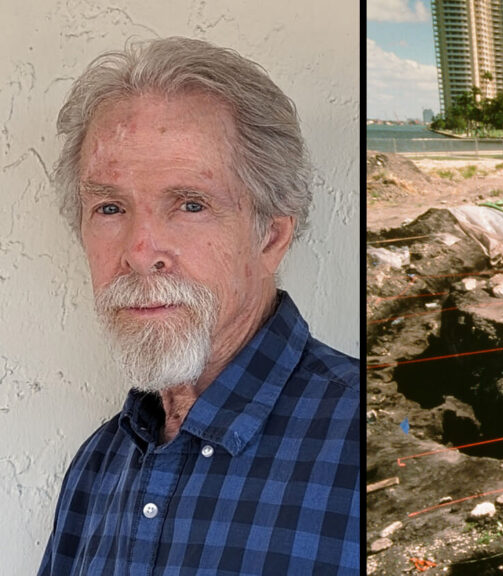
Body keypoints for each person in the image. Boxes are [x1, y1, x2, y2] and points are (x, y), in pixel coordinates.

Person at [38, 37, 360, 575]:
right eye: (110, 207)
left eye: (191, 204)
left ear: (271, 237)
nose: (141, 253)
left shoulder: (360, 440)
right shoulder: (97, 465)